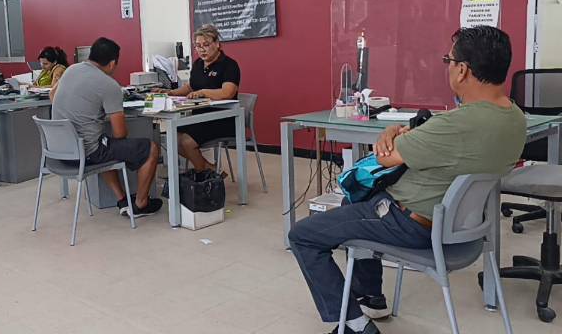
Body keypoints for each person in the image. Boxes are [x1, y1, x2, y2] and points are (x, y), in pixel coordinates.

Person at [287, 25, 527, 334]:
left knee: (303, 235)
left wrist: (390, 134)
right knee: (353, 200)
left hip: (409, 223)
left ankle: (356, 326)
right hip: (466, 228)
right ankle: (370, 297)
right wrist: (398, 132)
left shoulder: (455, 126)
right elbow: (434, 133)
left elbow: (384, 157)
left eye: (448, 60)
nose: (448, 67)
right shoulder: (514, 117)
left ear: (463, 70)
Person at [52, 37, 162, 217]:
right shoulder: (109, 85)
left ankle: (122, 200)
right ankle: (141, 203)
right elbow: (120, 134)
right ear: (112, 63)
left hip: (58, 152)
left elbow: (52, 95)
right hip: (86, 154)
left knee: (103, 142)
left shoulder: (71, 70)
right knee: (151, 148)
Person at [164, 24, 240, 172]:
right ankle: (210, 170)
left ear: (217, 44)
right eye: (198, 46)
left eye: (206, 45)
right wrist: (170, 93)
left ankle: (202, 173)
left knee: (186, 141)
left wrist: (203, 92)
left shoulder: (229, 65)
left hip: (222, 118)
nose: (201, 49)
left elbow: (228, 92)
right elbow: (191, 87)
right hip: (199, 116)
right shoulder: (198, 64)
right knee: (172, 138)